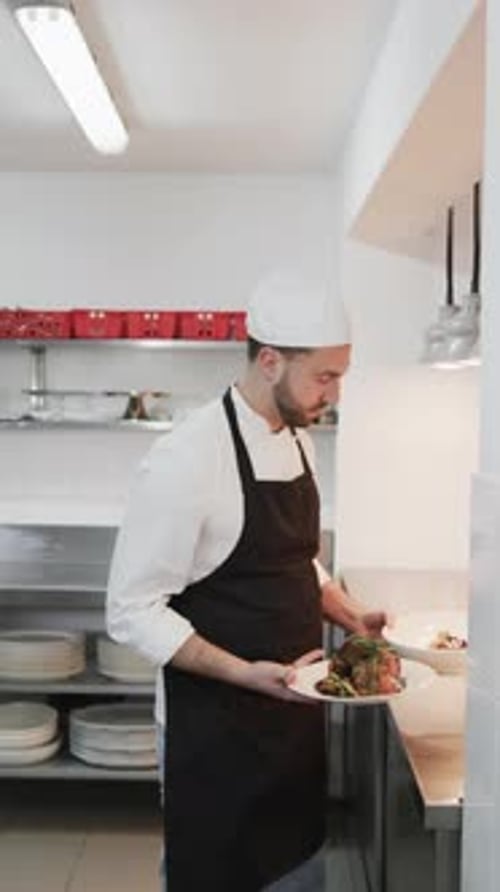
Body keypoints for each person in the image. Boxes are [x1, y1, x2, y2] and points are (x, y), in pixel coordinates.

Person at [106, 269, 386, 892]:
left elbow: (291, 558)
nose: (334, 393)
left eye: (340, 375)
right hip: (216, 725)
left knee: (293, 865)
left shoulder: (300, 441)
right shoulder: (186, 458)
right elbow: (131, 610)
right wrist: (242, 671)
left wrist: (348, 612)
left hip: (292, 715)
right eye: (324, 376)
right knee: (216, 871)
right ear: (268, 361)